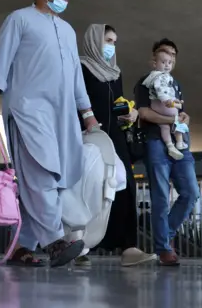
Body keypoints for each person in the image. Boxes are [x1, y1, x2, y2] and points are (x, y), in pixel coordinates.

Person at [0, 0, 100, 268]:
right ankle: (55, 242)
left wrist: (87, 114)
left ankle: (23, 247)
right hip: (27, 109)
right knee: (41, 174)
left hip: (62, 115)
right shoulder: (19, 19)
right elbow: (1, 61)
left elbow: (76, 77)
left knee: (56, 180)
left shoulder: (68, 30)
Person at [77, 23, 156, 266]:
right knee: (89, 188)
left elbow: (115, 104)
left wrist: (129, 113)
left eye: (114, 42)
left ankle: (129, 246)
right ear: (94, 40)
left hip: (116, 137)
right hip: (90, 136)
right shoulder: (80, 67)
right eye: (107, 40)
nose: (111, 46)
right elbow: (77, 102)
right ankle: (81, 245)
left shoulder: (115, 72)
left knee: (125, 187)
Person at [134, 38, 198, 266]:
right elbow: (144, 113)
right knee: (160, 196)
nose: (167, 59)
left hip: (181, 141)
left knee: (191, 193)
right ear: (154, 58)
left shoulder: (175, 83)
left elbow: (180, 112)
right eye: (164, 55)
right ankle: (163, 248)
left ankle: (165, 235)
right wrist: (169, 120)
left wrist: (184, 118)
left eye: (172, 56)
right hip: (155, 142)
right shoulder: (146, 81)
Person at [141, 49, 188, 160]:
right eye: (163, 62)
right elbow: (161, 90)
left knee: (164, 126)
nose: (167, 65)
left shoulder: (151, 76)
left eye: (169, 62)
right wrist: (167, 101)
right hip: (164, 104)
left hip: (155, 105)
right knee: (177, 119)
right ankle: (179, 142)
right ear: (155, 64)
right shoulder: (162, 76)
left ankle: (169, 145)